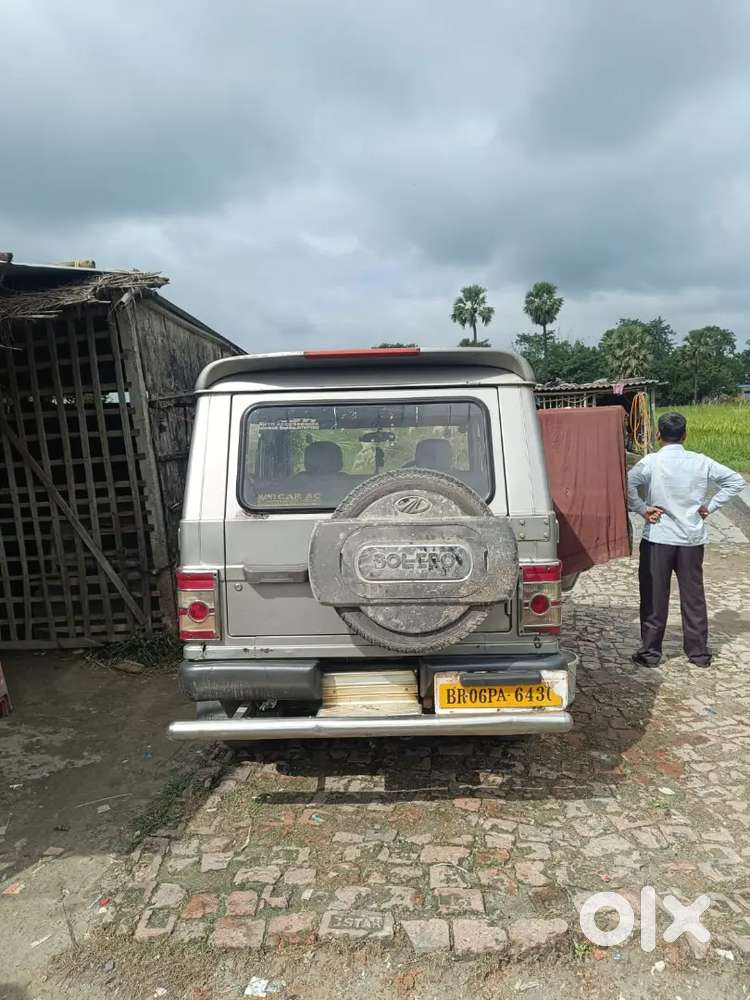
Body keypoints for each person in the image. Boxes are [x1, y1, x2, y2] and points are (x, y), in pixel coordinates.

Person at [627, 411, 745, 668]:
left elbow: (626, 485)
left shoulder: (651, 462)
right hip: (691, 539)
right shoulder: (701, 462)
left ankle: (650, 653)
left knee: (654, 595)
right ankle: (698, 653)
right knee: (693, 596)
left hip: (659, 537)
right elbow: (736, 481)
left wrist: (642, 508)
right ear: (685, 435)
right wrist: (710, 506)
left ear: (659, 435)